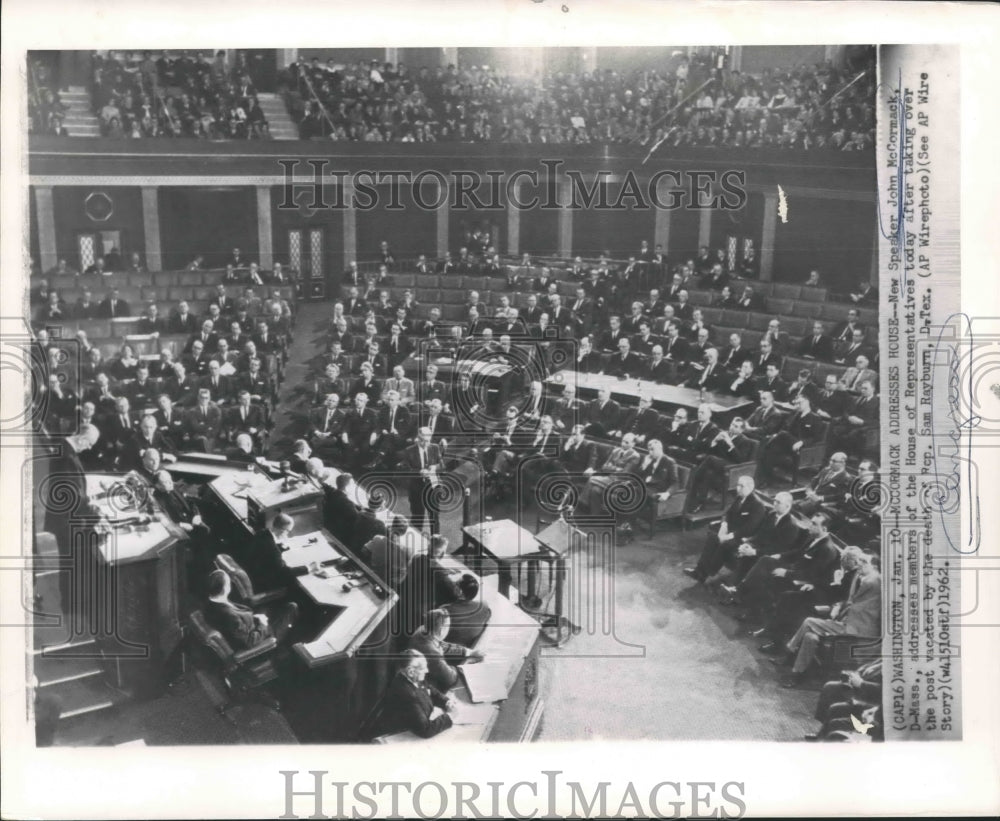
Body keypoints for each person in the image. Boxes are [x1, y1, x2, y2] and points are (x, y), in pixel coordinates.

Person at [777, 551, 882, 687]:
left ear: (875, 567)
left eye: (864, 562)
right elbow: (849, 600)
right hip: (846, 622)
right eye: (860, 561)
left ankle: (789, 651)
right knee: (810, 636)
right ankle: (797, 674)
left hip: (858, 630)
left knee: (809, 621)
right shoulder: (861, 577)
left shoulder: (875, 580)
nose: (860, 564)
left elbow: (857, 598)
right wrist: (837, 605)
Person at [683, 475, 766, 584]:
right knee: (712, 538)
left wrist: (729, 536)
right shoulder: (739, 498)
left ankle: (707, 572)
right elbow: (727, 514)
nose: (738, 488)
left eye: (741, 486)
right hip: (730, 531)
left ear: (750, 487)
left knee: (725, 544)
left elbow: (749, 528)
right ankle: (699, 571)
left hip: (742, 538)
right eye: (737, 485)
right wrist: (724, 525)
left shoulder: (758, 505)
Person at [203, 569, 298, 651]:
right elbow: (250, 642)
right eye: (228, 583)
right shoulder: (229, 615)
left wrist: (255, 618)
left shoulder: (213, 601)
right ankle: (289, 646)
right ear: (225, 589)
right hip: (262, 637)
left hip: (251, 624)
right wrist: (262, 624)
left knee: (270, 608)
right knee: (292, 607)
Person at [373, 649, 456, 739]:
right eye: (423, 668)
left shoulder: (413, 678)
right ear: (411, 672)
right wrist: (450, 716)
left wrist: (447, 702)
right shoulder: (407, 695)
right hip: (400, 736)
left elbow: (431, 690)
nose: (427, 671)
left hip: (418, 724)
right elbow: (426, 730)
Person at [396, 535, 461, 637]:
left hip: (403, 602)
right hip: (420, 615)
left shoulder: (416, 557)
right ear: (442, 554)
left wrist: (444, 569)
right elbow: (454, 596)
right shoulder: (441, 575)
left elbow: (428, 564)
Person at [408, 608, 485, 691]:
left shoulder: (424, 629)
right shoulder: (432, 652)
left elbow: (441, 645)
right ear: (442, 630)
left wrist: (468, 652)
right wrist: (466, 665)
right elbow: (450, 679)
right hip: (425, 686)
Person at [403, 427, 443, 532]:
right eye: (422, 440)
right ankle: (416, 538)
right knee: (417, 516)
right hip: (416, 488)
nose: (425, 443)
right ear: (418, 438)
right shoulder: (409, 450)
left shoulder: (435, 448)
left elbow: (442, 465)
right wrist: (420, 472)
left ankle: (436, 538)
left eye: (427, 441)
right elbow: (406, 470)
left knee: (434, 516)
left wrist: (435, 467)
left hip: (432, 486)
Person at [444, 574, 492, 647]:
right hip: (468, 645)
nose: (454, 584)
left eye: (456, 583)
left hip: (449, 648)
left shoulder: (446, 611)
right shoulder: (484, 606)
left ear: (459, 591)